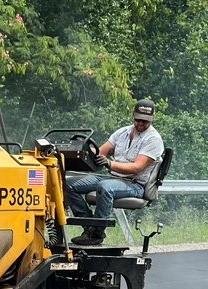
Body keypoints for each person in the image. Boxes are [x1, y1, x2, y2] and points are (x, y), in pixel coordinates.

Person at [66, 99, 164, 246]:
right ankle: (89, 225)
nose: (141, 124)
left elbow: (136, 167)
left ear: (152, 118)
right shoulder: (122, 133)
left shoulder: (153, 140)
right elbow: (99, 151)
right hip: (113, 178)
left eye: (146, 121)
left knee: (106, 187)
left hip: (134, 184)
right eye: (138, 120)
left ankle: (97, 233)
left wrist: (109, 163)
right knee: (68, 184)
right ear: (133, 115)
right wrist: (75, 151)